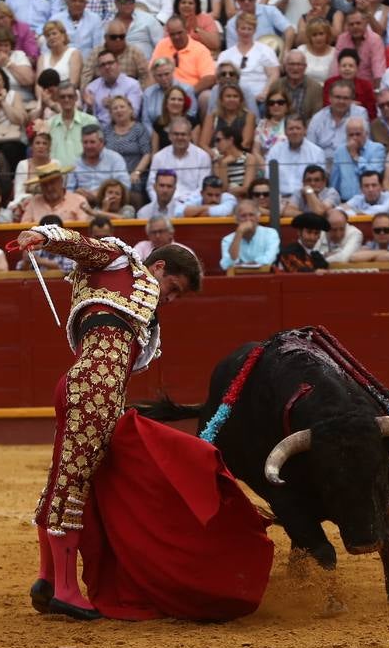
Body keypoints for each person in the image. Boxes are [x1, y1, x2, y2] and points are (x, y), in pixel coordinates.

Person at [16, 221, 268, 622]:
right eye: (174, 290)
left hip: (83, 384)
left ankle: (47, 579)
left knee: (62, 479)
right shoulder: (123, 263)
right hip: (95, 386)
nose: (169, 300)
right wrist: (46, 238)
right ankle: (65, 590)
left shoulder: (133, 299)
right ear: (161, 268)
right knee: (74, 484)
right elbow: (87, 247)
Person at [220, 198, 280, 270]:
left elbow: (268, 259)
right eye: (243, 216)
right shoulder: (227, 239)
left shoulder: (271, 234)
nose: (248, 219)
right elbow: (226, 265)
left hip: (265, 277)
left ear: (258, 217)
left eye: (251, 215)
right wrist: (239, 233)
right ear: (236, 219)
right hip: (238, 278)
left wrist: (244, 265)